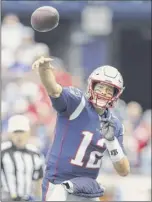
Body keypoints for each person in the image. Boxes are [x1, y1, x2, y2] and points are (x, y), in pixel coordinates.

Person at [32, 57, 130, 201]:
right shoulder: (77, 103)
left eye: (109, 90)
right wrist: (45, 71)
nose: (104, 92)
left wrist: (111, 141)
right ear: (91, 85)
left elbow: (124, 170)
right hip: (58, 181)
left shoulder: (114, 124)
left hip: (86, 186)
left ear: (116, 94)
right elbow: (54, 90)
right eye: (100, 87)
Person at [1, 115, 44, 201]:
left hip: (28, 199)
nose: (19, 136)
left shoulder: (35, 153)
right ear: (10, 133)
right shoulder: (2, 151)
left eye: (22, 132)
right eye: (16, 132)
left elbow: (39, 182)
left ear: (28, 133)